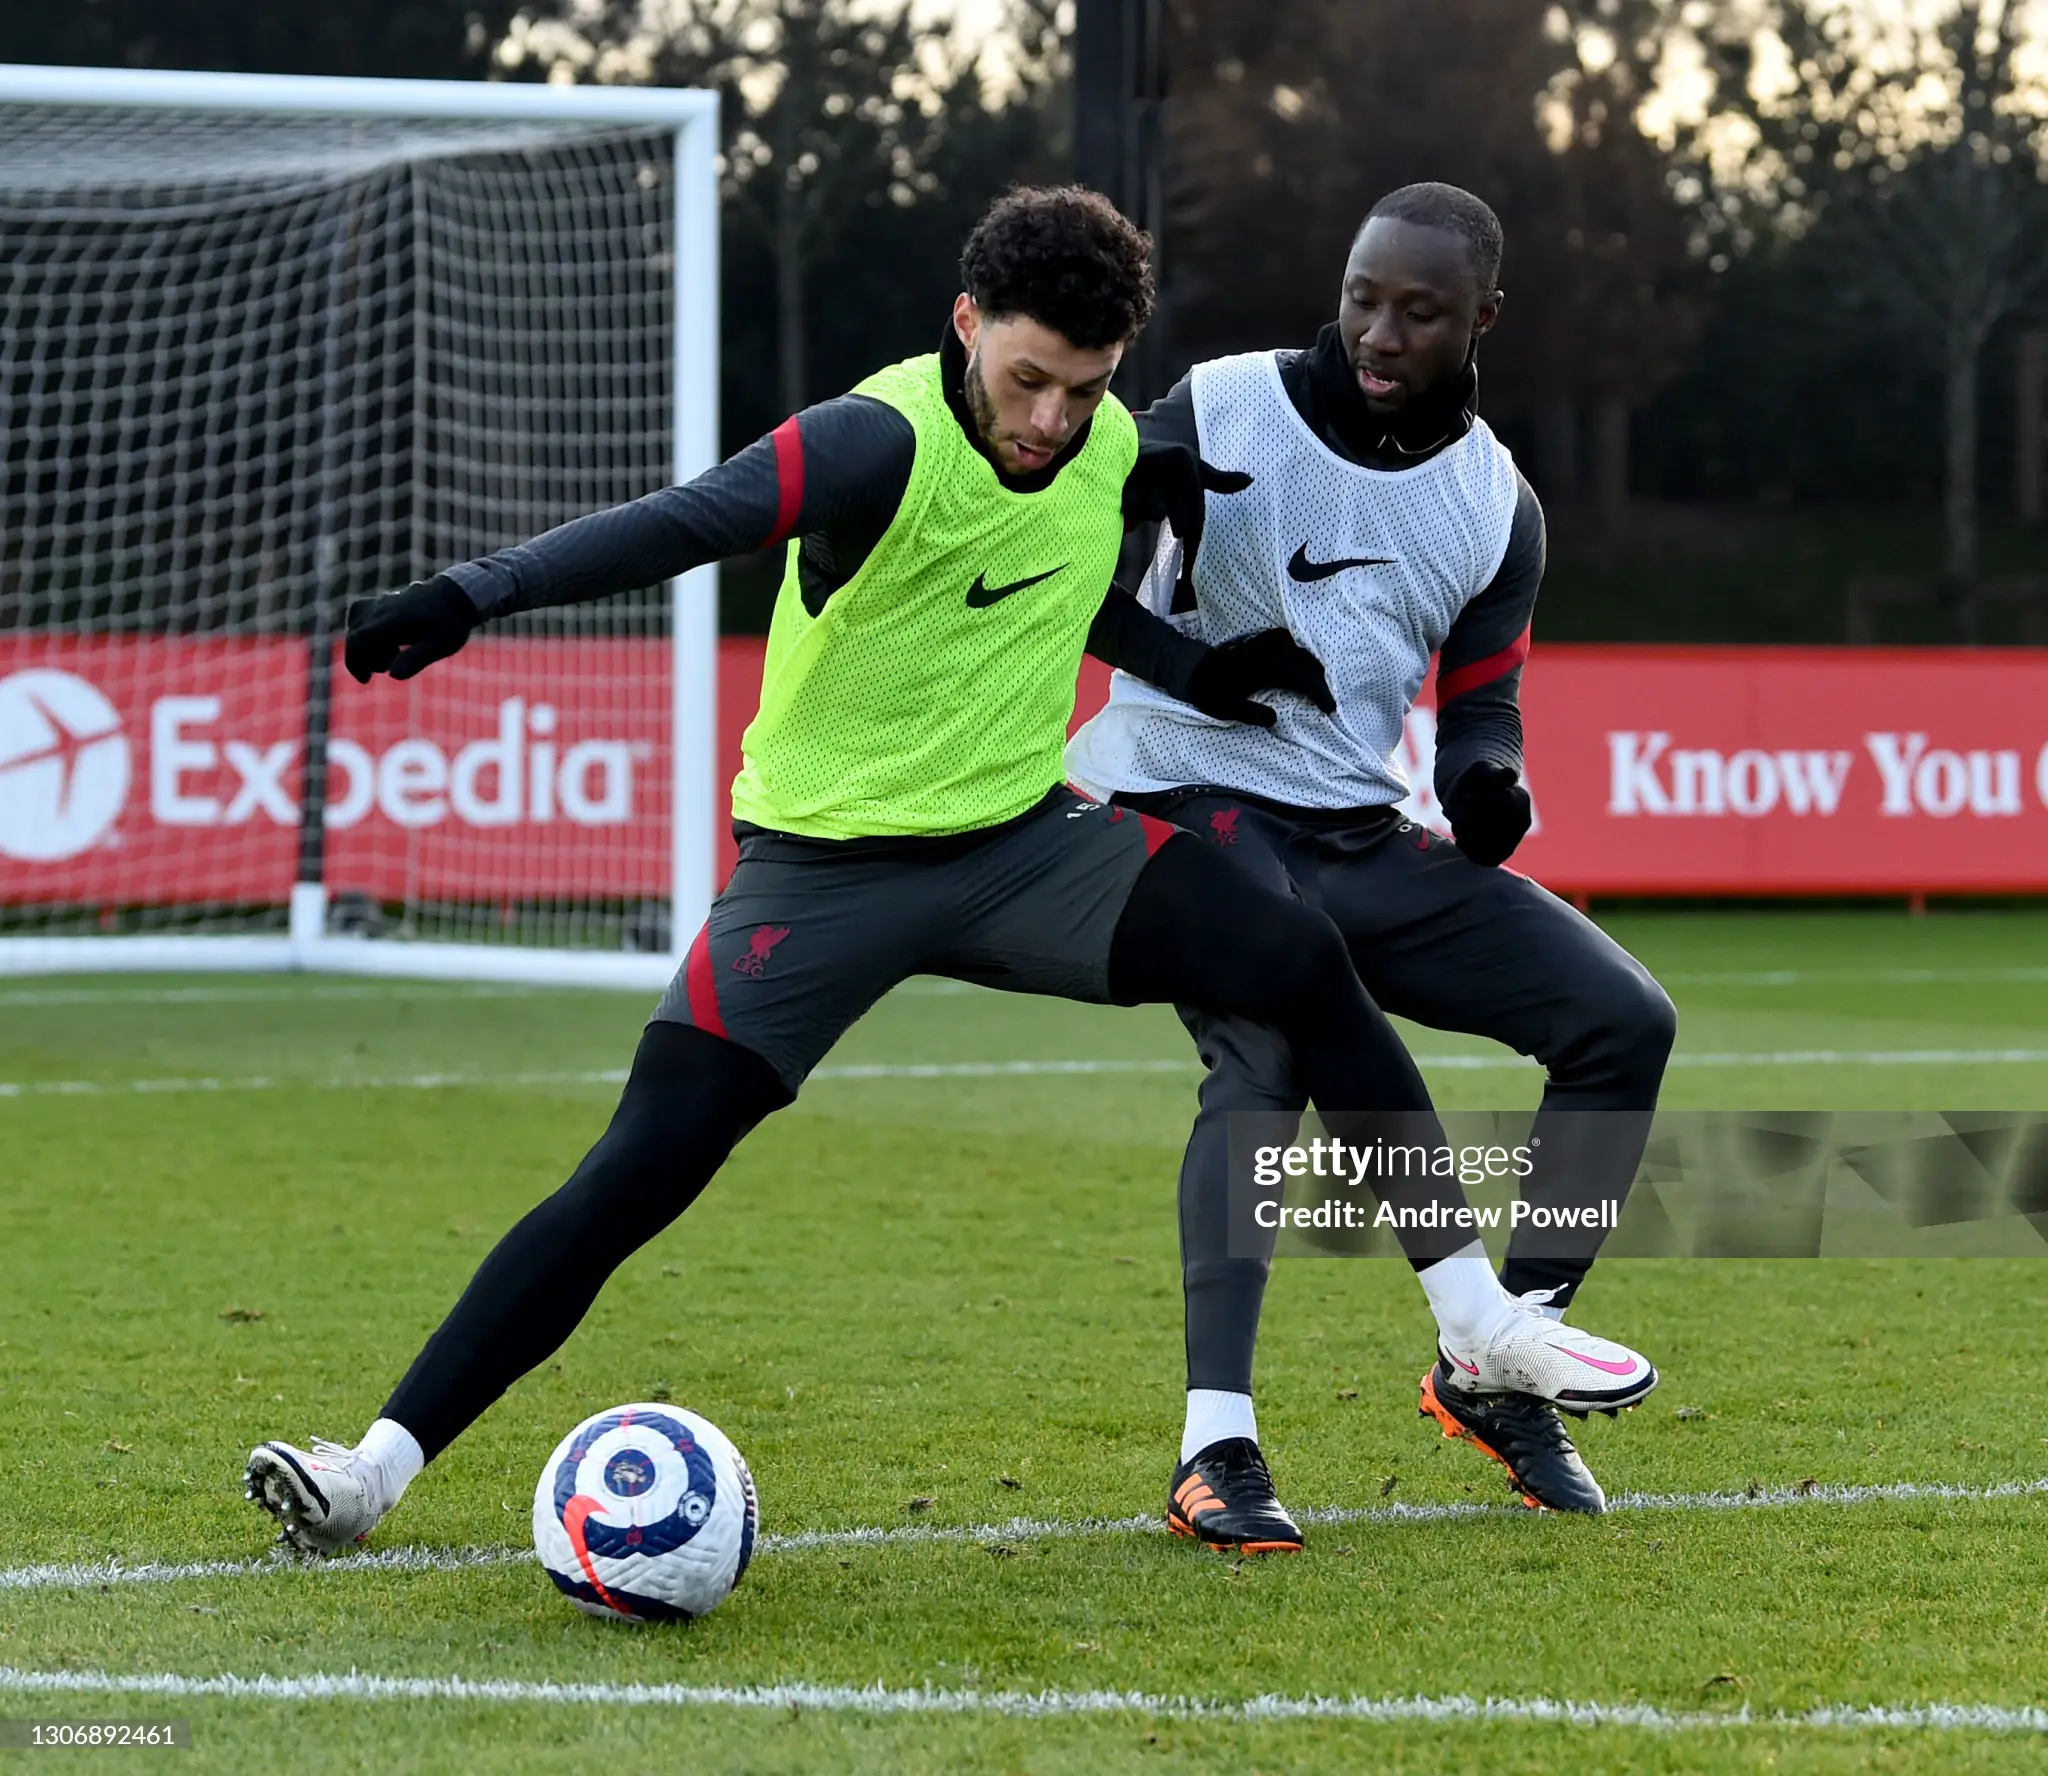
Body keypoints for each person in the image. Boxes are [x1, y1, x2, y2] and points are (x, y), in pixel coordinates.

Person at [244, 185, 1601, 1560]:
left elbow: (1067, 587)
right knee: (636, 1174)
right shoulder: (872, 442)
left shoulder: (1108, 443)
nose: (1054, 421)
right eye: (1028, 381)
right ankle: (370, 1472)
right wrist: (470, 596)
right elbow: (678, 521)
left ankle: (1476, 1320)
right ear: (966, 324)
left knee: (1296, 953)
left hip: (1020, 849)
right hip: (821, 875)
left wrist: (1199, 668)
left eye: (1085, 389)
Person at [1068, 181, 1676, 1524]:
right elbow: (1069, 588)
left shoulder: (1495, 506)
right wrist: (1191, 666)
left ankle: (1505, 1359)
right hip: (1179, 795)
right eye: (1362, 299)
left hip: (1352, 826)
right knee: (1269, 1043)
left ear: (1483, 321)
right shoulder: (1221, 407)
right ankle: (1212, 1445)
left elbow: (1484, 708)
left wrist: (1490, 785)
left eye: (1419, 311)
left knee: (1624, 1021)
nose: (1379, 333)